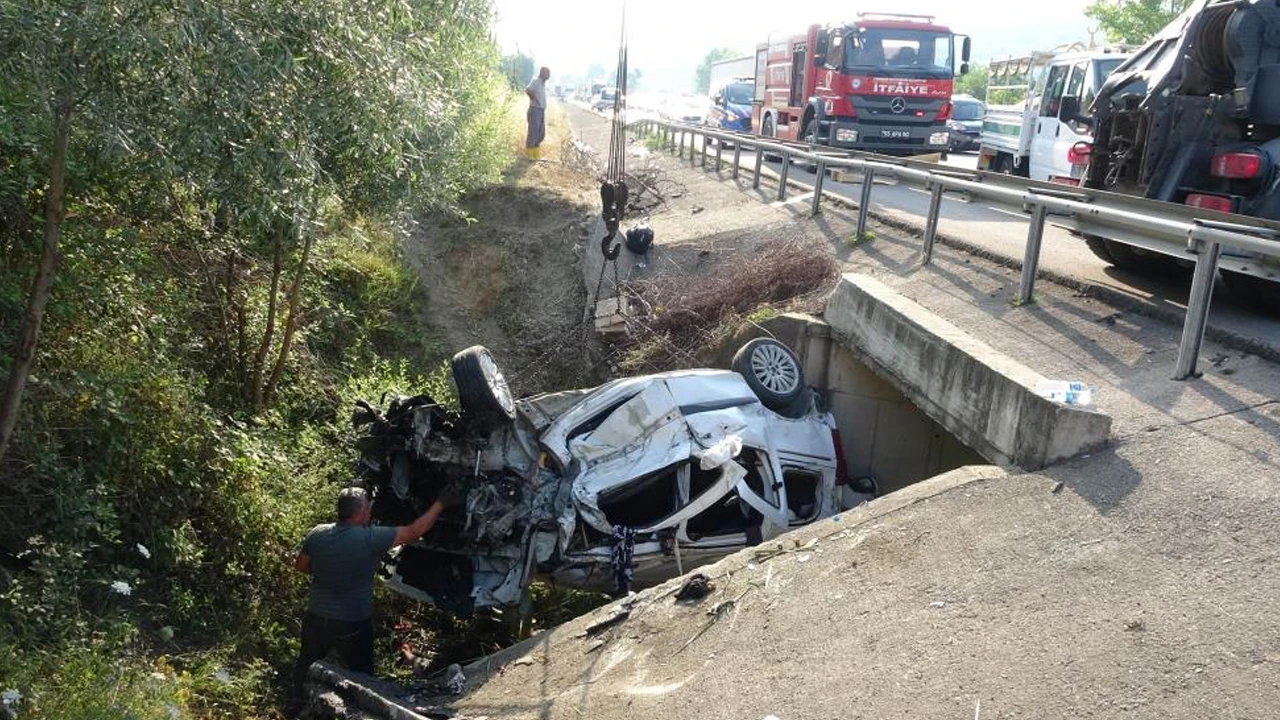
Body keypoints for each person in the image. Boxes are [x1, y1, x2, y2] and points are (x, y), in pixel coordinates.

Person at [291, 485, 459, 695]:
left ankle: (296, 700)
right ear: (360, 513)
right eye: (368, 508)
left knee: (306, 665)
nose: (370, 512)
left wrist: (331, 570)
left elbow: (300, 566)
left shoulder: (317, 533)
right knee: (362, 678)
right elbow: (416, 530)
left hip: (316, 619)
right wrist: (441, 503)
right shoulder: (371, 538)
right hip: (352, 625)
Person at [525, 66, 551, 159]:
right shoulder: (536, 81)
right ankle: (530, 155)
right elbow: (528, 90)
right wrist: (533, 99)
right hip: (535, 109)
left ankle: (536, 153)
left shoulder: (543, 83)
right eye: (547, 73)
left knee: (541, 133)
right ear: (541, 73)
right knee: (533, 132)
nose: (549, 76)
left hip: (541, 110)